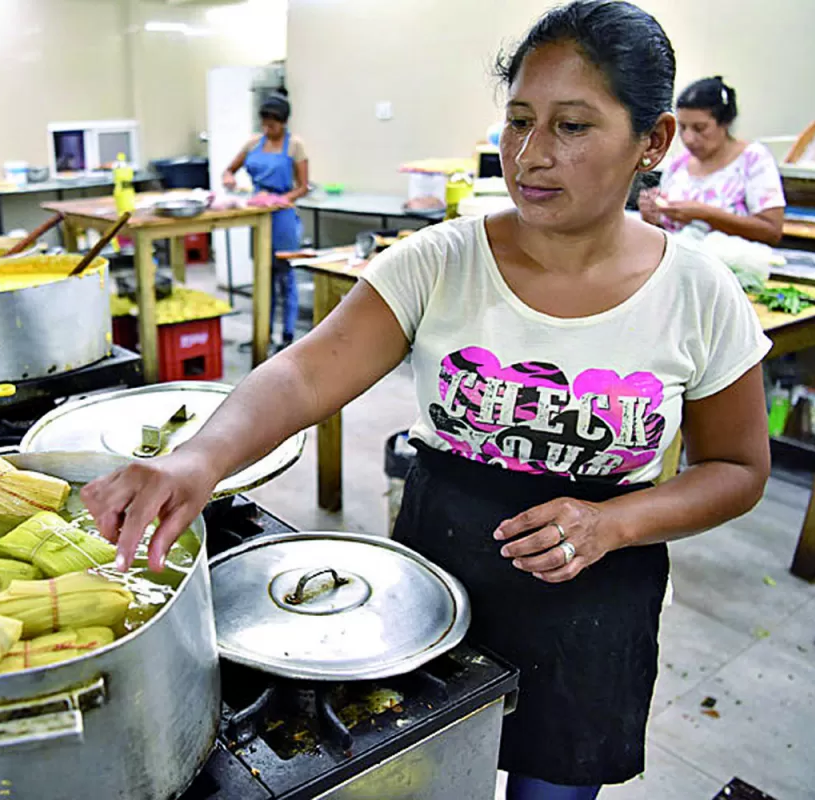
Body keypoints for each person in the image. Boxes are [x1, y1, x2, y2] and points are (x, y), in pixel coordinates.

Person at [81, 3, 771, 799]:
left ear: (650, 143)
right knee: (431, 777)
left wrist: (613, 522)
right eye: (518, 120)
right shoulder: (442, 262)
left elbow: (737, 466)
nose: (530, 154)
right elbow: (305, 373)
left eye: (572, 126)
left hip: (596, 600)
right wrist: (198, 459)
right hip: (439, 579)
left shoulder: (697, 294)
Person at [638, 76, 785, 245]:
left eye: (700, 128)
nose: (689, 138)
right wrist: (652, 217)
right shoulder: (678, 164)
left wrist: (705, 214)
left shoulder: (753, 159)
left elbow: (771, 230)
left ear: (725, 123)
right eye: (683, 127)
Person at [222, 92, 310, 348]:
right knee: (263, 275)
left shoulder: (295, 146)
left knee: (286, 276)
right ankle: (263, 333)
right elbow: (230, 169)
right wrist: (229, 178)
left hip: (282, 215)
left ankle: (288, 336)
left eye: (272, 124)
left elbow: (303, 186)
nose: (267, 129)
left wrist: (281, 199)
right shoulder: (253, 143)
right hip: (259, 215)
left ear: (283, 123)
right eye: (265, 124)